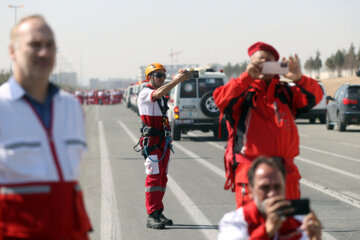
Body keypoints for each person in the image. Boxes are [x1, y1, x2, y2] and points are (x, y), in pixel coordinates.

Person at [0, 15, 91, 239]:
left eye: (50, 45)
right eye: (35, 44)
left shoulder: (72, 108)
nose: (44, 52)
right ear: (13, 51)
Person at [213, 42, 324, 208]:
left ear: (276, 66)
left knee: (291, 229)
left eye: (268, 61)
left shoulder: (286, 93)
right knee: (255, 230)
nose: (264, 64)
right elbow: (221, 100)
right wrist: (246, 77)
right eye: (259, 61)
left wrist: (299, 78)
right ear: (250, 64)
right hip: (252, 174)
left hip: (287, 175)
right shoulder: (242, 92)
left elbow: (316, 96)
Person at [136, 63, 190, 229]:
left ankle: (158, 211)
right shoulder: (145, 92)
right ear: (149, 78)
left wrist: (180, 78)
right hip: (152, 142)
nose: (161, 78)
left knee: (161, 179)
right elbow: (158, 92)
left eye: (163, 75)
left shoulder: (160, 94)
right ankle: (151, 215)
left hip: (163, 141)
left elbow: (163, 92)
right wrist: (177, 81)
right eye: (158, 75)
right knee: (153, 178)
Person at [218, 156, 322, 240]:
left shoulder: (299, 222)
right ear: (251, 191)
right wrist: (267, 231)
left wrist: (316, 238)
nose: (272, 194)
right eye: (265, 188)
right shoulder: (235, 222)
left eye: (277, 187)